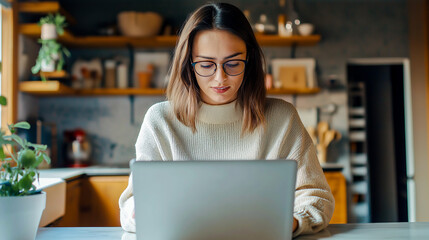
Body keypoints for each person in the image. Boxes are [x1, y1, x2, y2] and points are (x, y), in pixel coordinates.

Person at [119, 2, 334, 237]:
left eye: (232, 63)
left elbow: (316, 197)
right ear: (188, 65)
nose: (220, 78)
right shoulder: (159, 120)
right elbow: (131, 205)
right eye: (205, 64)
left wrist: (289, 223)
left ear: (249, 60)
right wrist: (137, 213)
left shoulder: (282, 118)